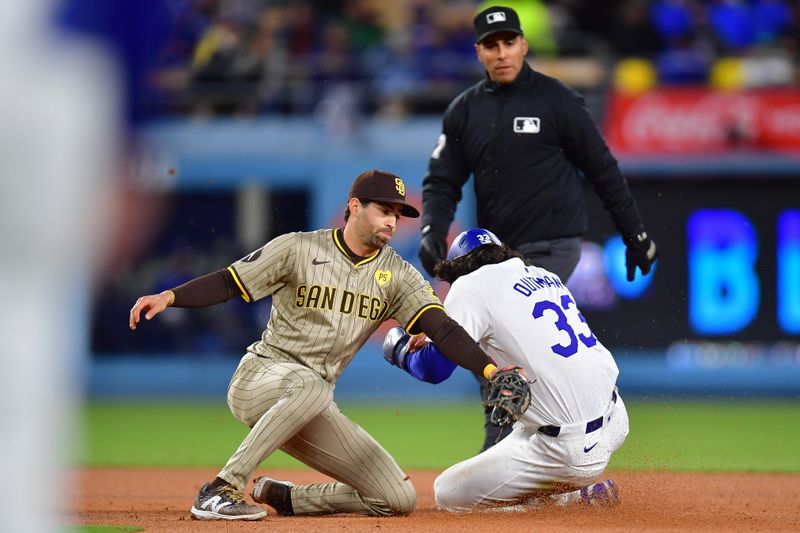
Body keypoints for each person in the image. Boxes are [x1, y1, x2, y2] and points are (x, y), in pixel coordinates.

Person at [129, 170, 525, 520]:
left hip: (311, 400)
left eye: (396, 213)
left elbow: (443, 329)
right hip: (261, 380)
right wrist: (171, 297)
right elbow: (229, 282)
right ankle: (220, 488)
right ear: (354, 206)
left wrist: (491, 370)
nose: (391, 220)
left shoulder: (398, 275)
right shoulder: (298, 248)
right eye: (383, 210)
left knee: (396, 498)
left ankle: (287, 497)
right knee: (312, 386)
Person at [417, 5, 657, 451]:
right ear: (479, 51)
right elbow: (442, 181)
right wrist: (433, 227)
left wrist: (634, 232)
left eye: (509, 41)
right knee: (494, 354)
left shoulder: (557, 100)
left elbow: (602, 168)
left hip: (551, 246)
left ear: (524, 45)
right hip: (494, 256)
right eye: (491, 44)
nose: (502, 51)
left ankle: (525, 453)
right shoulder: (465, 110)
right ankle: (532, 456)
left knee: (521, 347)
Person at [385, 228, 628, 511]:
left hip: (568, 451)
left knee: (447, 493)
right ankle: (568, 483)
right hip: (616, 421)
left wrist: (400, 350)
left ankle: (568, 499)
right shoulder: (544, 275)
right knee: (520, 422)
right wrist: (434, 337)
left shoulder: (470, 286)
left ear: (457, 269)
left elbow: (434, 369)